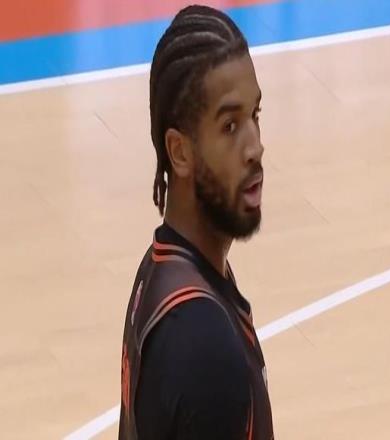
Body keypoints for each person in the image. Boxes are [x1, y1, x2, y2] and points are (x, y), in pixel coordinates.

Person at [118, 5, 274, 439]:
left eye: (255, 116)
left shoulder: (162, 266)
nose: (255, 148)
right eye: (230, 126)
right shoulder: (203, 344)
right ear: (180, 151)